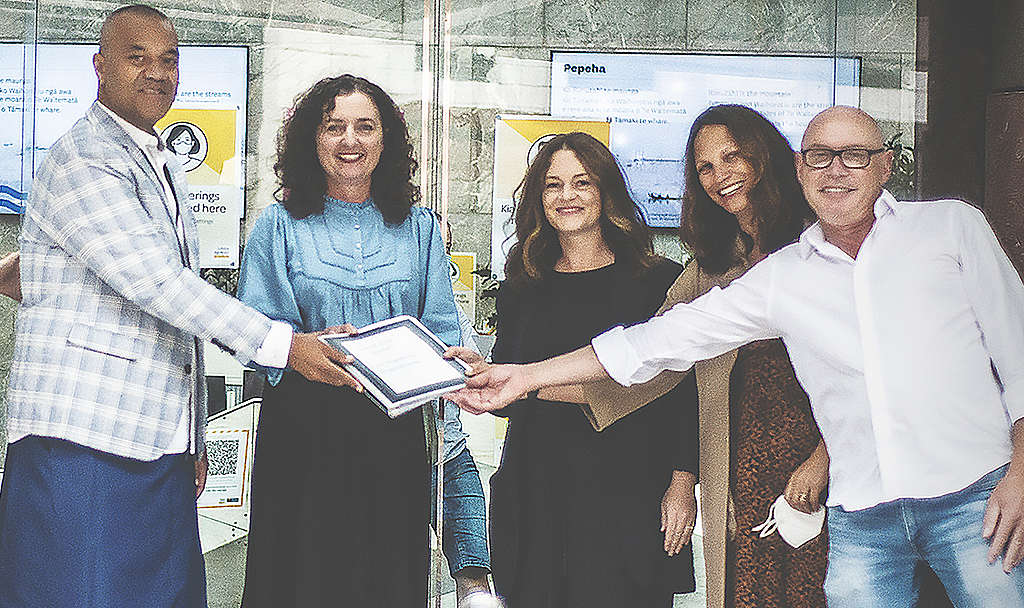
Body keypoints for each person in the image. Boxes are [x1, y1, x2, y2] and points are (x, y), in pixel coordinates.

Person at [450, 106, 1024, 607]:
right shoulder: (763, 274)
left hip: (938, 488)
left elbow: (1006, 351)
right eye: (704, 166)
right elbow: (655, 348)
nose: (835, 171)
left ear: (884, 164)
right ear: (800, 168)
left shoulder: (948, 228)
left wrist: (1019, 471)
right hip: (823, 498)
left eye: (853, 156)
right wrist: (524, 378)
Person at [0, 5, 354, 607]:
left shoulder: (156, 156)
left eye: (169, 60)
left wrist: (189, 440)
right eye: (137, 57)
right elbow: (159, 284)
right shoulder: (86, 157)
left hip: (151, 443)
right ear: (99, 66)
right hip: (84, 443)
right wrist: (287, 346)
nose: (156, 73)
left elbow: (138, 290)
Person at [574, 105, 828, 608]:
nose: (720, 176)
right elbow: (654, 353)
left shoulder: (819, 243)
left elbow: (870, 370)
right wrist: (532, 386)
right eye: (705, 167)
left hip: (826, 463)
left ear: (764, 155)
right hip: (742, 471)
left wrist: (822, 461)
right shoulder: (714, 263)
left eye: (732, 157)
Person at [236, 74, 459, 607]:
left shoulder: (420, 227)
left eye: (365, 127)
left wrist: (455, 365)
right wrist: (305, 344)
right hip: (303, 430)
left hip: (396, 431)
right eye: (333, 127)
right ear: (311, 141)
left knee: (387, 574)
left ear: (387, 141)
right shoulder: (278, 225)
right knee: (302, 575)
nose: (349, 141)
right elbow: (253, 332)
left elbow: (443, 325)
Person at [450, 132, 699, 607]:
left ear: (606, 192)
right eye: (552, 185)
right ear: (537, 199)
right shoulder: (522, 286)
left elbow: (681, 394)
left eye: (581, 182)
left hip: (629, 487)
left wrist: (683, 481)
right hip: (536, 486)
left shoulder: (658, 281)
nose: (567, 196)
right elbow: (511, 393)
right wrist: (484, 377)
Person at [429, 215, 494, 606]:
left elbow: (475, 371)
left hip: (450, 457)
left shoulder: (453, 311)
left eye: (445, 249)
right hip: (389, 460)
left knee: (474, 571)